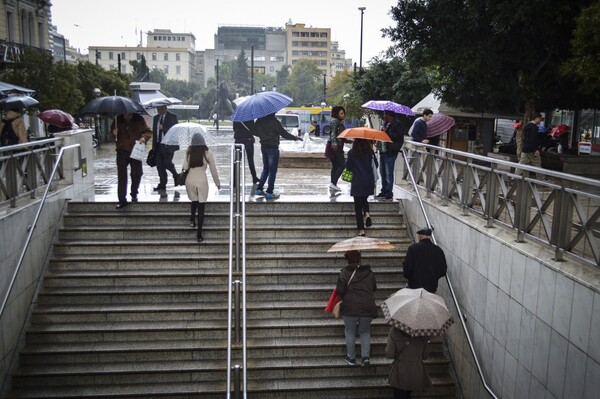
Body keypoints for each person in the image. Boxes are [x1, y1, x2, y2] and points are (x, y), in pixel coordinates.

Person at [336, 250, 378, 367]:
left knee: (350, 332)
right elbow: (374, 287)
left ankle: (351, 358)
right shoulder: (369, 272)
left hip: (350, 306)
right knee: (365, 331)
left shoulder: (344, 273)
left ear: (347, 259)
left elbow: (340, 290)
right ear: (360, 259)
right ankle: (365, 357)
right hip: (367, 306)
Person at [252, 112, 301, 200]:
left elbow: (254, 131)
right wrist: (295, 138)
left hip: (264, 147)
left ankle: (259, 189)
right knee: (272, 171)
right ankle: (269, 192)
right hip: (273, 148)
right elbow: (284, 134)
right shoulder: (275, 122)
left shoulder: (260, 120)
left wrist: (263, 134)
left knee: (265, 169)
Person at [182, 132, 221, 242]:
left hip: (190, 180)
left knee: (194, 201)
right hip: (202, 180)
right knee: (201, 206)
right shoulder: (208, 153)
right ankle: (199, 234)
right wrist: (217, 183)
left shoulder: (188, 151)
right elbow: (213, 170)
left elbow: (184, 167)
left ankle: (191, 219)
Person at [109, 113, 152, 209]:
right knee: (122, 175)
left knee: (137, 173)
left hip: (135, 149)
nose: (127, 114)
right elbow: (111, 137)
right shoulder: (117, 120)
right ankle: (122, 200)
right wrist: (113, 134)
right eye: (125, 113)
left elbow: (148, 132)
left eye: (129, 113)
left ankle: (134, 192)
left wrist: (143, 137)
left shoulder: (139, 119)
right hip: (121, 151)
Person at [386, 326, 431, 399]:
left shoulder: (394, 330)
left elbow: (389, 354)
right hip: (416, 371)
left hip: (400, 371)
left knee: (399, 394)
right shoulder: (423, 331)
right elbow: (425, 356)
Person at [345, 139, 378, 236]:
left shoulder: (352, 152)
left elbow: (348, 167)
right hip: (368, 181)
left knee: (358, 208)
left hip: (357, 181)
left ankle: (361, 230)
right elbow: (376, 165)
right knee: (364, 199)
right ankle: (367, 214)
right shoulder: (370, 152)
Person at [402, 227, 447, 293]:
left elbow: (407, 267)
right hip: (431, 287)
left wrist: (409, 277)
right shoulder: (438, 250)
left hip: (415, 286)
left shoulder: (413, 248)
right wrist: (434, 277)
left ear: (420, 237)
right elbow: (443, 270)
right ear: (430, 237)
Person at [376, 111, 404, 200]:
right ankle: (383, 190)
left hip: (391, 151)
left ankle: (389, 192)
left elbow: (397, 137)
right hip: (383, 150)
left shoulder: (397, 124)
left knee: (389, 173)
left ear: (389, 115)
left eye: (385, 114)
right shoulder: (385, 123)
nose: (384, 116)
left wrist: (387, 130)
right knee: (382, 172)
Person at [152, 105, 179, 191]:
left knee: (167, 163)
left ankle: (176, 175)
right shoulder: (156, 118)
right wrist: (153, 147)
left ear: (165, 108)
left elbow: (175, 131)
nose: (159, 110)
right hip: (158, 144)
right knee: (159, 165)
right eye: (158, 109)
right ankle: (162, 184)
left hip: (168, 144)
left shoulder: (172, 117)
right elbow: (155, 133)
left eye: (161, 108)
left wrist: (164, 128)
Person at [328, 106, 347, 192]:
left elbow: (340, 135)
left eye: (343, 113)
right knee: (342, 165)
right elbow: (333, 133)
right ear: (336, 114)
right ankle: (333, 183)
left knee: (335, 166)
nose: (343, 115)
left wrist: (347, 141)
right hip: (335, 147)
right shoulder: (335, 121)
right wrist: (334, 143)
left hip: (336, 145)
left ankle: (333, 184)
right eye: (341, 113)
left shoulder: (338, 122)